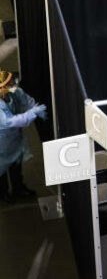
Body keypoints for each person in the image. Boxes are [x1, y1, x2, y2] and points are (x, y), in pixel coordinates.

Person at [0, 70, 47, 203]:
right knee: (2, 167)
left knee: (15, 164)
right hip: (1, 141)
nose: (13, 85)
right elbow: (9, 122)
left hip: (13, 138)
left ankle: (18, 189)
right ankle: (2, 194)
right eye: (9, 84)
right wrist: (31, 113)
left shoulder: (14, 93)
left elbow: (26, 100)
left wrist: (37, 110)